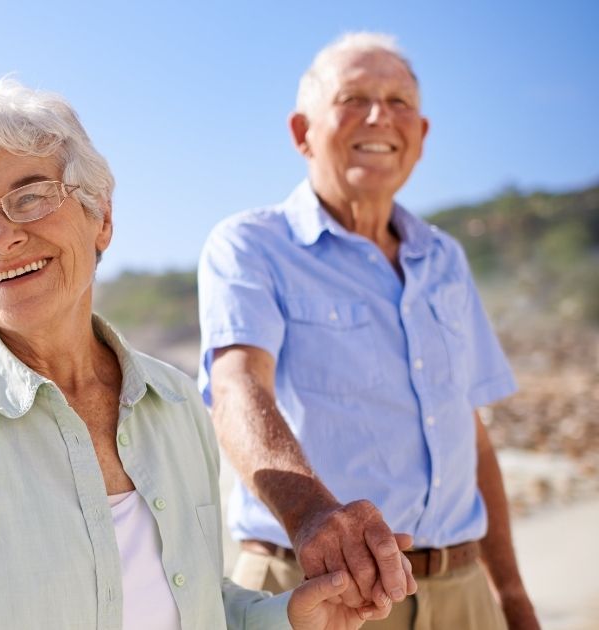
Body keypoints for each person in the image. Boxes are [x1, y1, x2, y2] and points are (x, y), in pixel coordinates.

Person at [0, 78, 402, 629]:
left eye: (30, 198)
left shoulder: (175, 405)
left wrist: (287, 617)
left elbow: (192, 598)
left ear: (102, 217)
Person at [198, 32, 538, 629]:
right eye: (353, 97)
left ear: (422, 137)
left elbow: (470, 435)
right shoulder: (251, 245)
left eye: (399, 102)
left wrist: (511, 598)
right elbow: (237, 388)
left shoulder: (446, 259)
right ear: (302, 132)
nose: (380, 115)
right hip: (318, 592)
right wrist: (312, 517)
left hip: (465, 599)